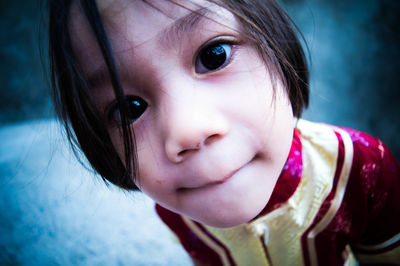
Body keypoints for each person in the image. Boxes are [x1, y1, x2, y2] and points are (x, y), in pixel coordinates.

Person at [48, 0, 400, 265]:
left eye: (213, 56)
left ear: (275, 48)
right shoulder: (176, 208)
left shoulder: (362, 169)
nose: (188, 131)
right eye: (129, 108)